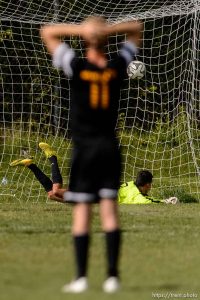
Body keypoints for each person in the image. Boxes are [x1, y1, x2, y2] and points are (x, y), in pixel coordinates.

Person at [39, 16, 143, 293]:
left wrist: (84, 30)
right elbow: (136, 28)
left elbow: (47, 32)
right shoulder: (117, 67)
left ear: (85, 40)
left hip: (84, 148)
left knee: (82, 212)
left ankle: (82, 278)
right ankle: (112, 277)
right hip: (109, 147)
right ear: (107, 40)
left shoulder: (76, 67)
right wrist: (106, 30)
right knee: (110, 211)